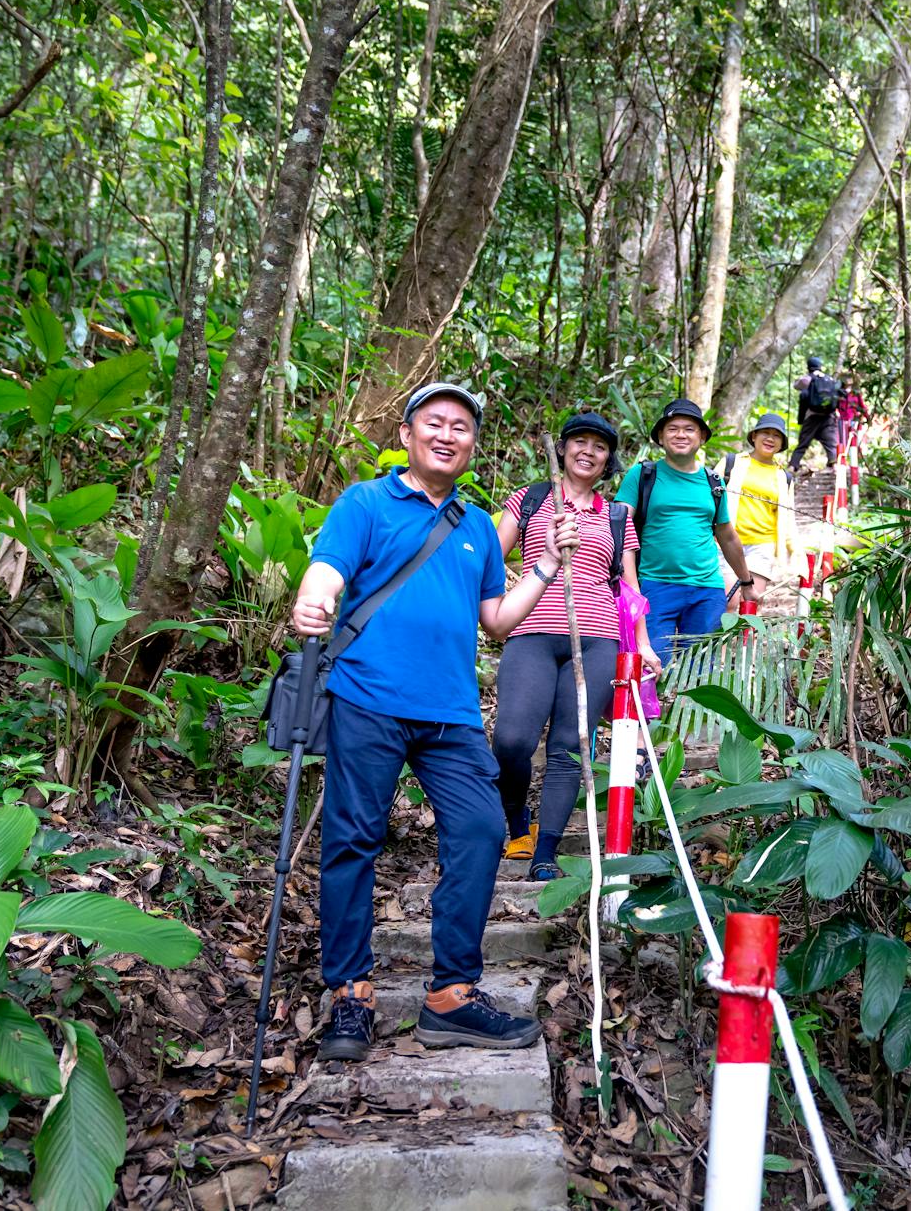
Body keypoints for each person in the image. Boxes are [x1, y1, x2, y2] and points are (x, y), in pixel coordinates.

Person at [289, 382, 579, 1060]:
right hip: (368, 699)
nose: (449, 436)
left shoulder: (477, 526)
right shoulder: (365, 502)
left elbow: (500, 621)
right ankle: (350, 995)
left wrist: (546, 566)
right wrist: (311, 602)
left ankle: (451, 996)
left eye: (462, 427)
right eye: (436, 423)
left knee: (481, 831)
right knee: (353, 840)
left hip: (449, 714)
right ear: (409, 432)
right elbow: (326, 572)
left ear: (472, 444)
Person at [493, 412, 661, 880]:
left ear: (609, 459)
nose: (588, 451)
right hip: (531, 631)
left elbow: (629, 588)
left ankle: (545, 851)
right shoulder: (531, 500)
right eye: (580, 442)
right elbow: (488, 556)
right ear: (563, 448)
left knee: (570, 746)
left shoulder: (616, 515)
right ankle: (516, 825)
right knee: (511, 740)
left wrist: (643, 645)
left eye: (599, 446)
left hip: (598, 638)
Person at [615, 397, 759, 664]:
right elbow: (618, 524)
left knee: (702, 671)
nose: (680, 434)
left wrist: (747, 582)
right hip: (654, 586)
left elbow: (727, 537)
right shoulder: (643, 475)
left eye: (689, 428)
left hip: (706, 589)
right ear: (660, 435)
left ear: (702, 436)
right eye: (672, 428)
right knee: (654, 666)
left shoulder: (713, 481)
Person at [719, 412, 798, 595]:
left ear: (782, 443)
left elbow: (788, 518)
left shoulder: (783, 477)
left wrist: (795, 552)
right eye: (765, 433)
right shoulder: (731, 463)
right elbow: (709, 499)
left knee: (752, 602)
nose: (770, 439)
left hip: (762, 545)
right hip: (727, 540)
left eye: (776, 435)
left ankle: (749, 627)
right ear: (754, 436)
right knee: (728, 600)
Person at [788, 354, 839, 471]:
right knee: (830, 444)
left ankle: (792, 467)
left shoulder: (808, 378)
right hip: (828, 416)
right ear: (820, 366)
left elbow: (796, 386)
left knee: (803, 443)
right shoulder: (829, 379)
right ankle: (835, 468)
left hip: (812, 416)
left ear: (809, 366)